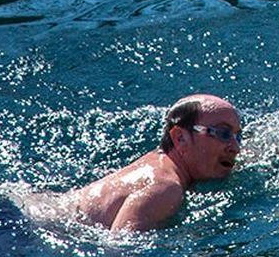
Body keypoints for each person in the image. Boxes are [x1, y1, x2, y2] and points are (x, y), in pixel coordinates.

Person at [64, 94, 243, 231]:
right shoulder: (165, 187)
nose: (235, 148)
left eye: (237, 136)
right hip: (48, 230)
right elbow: (117, 251)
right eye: (223, 133)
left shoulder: (158, 162)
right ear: (180, 137)